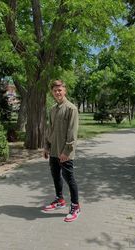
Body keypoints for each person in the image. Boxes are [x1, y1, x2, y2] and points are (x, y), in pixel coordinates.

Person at [43, 79, 80, 222]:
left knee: (69, 179)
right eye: (55, 90)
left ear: (65, 91)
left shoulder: (71, 109)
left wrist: (66, 151)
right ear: (52, 92)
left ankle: (76, 206)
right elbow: (49, 130)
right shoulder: (52, 110)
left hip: (65, 153)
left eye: (60, 90)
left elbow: (72, 134)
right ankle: (60, 200)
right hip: (53, 151)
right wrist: (46, 147)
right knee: (55, 176)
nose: (57, 92)